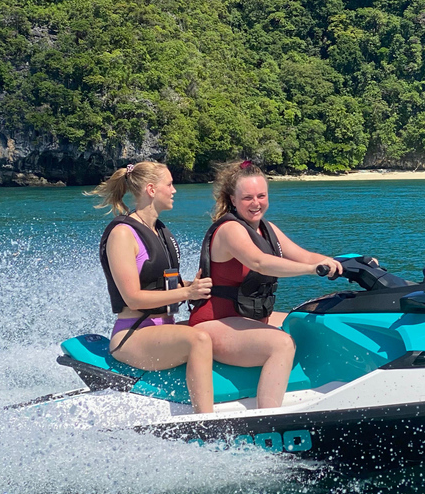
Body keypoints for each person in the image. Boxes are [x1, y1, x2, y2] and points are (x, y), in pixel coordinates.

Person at [189, 160, 342, 409]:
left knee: (309, 320)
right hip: (214, 323)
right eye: (248, 197)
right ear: (233, 199)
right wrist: (311, 270)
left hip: (249, 319)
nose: (256, 203)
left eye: (261, 195)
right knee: (281, 344)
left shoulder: (267, 229)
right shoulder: (230, 230)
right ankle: (268, 418)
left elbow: (304, 255)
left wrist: (344, 263)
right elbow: (259, 262)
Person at [87, 161, 215, 414]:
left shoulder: (159, 231)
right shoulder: (122, 234)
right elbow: (133, 298)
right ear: (151, 189)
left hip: (162, 330)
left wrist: (194, 285)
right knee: (198, 340)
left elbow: (169, 286)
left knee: (215, 331)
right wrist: (188, 292)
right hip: (132, 335)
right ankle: (205, 420)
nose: (174, 190)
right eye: (169, 184)